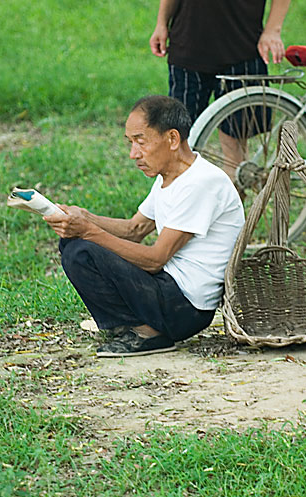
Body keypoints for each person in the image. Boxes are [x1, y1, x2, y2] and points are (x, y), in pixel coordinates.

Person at [44, 96, 244, 357]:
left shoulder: (201, 182)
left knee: (82, 249)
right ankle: (132, 325)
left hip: (185, 307)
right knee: (73, 243)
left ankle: (149, 333)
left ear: (172, 139)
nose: (133, 154)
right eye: (130, 143)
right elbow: (134, 229)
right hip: (168, 288)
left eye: (141, 141)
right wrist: (84, 217)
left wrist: (89, 231)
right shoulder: (170, 176)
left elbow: (155, 259)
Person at [149, 0, 291, 179]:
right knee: (179, 142)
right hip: (188, 45)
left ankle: (232, 204)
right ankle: (182, 204)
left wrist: (273, 30)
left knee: (235, 154)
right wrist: (161, 23)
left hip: (241, 47)